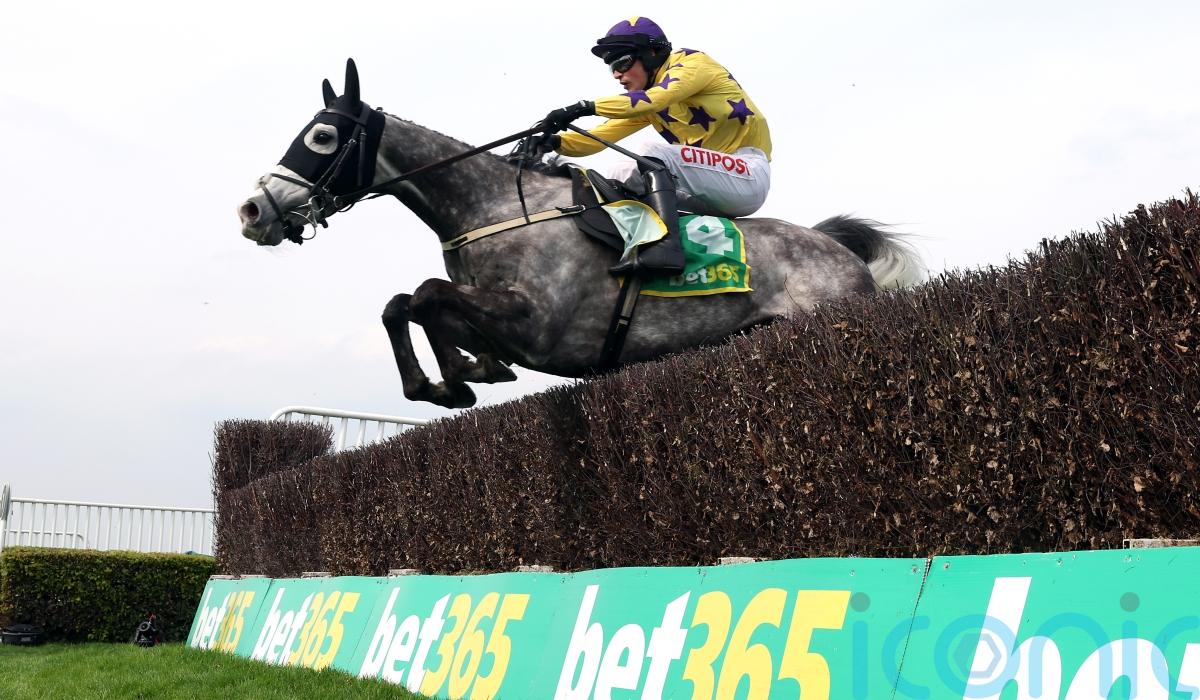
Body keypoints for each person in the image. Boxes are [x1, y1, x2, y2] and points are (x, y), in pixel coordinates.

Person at [535, 17, 773, 276]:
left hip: (747, 175)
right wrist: (553, 142)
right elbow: (597, 138)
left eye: (621, 63)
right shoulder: (649, 102)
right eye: (611, 67)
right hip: (709, 186)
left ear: (651, 54)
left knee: (652, 152)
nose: (617, 74)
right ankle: (627, 245)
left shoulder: (692, 64)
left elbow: (654, 99)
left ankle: (666, 248)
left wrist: (584, 107)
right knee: (619, 171)